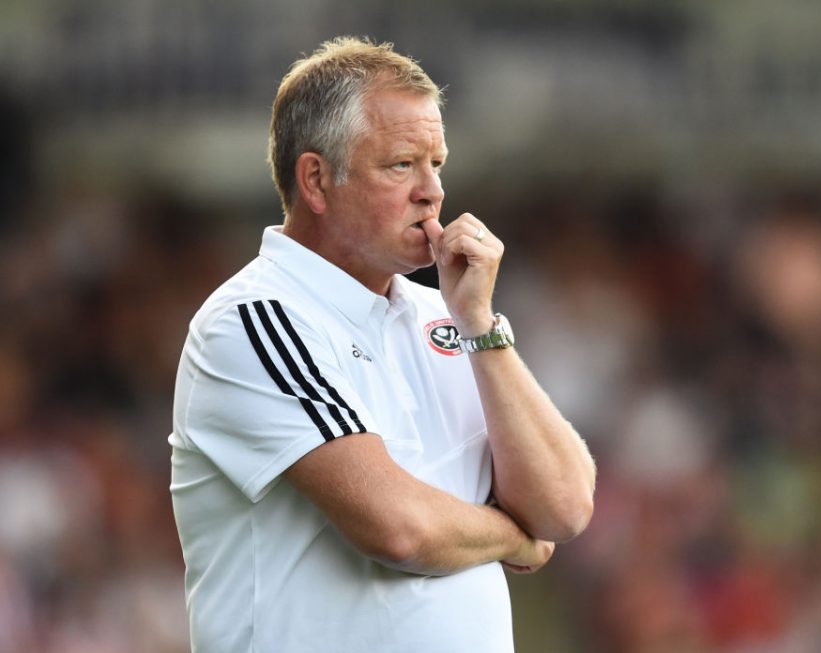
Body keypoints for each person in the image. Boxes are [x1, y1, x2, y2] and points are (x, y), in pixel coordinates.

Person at [169, 36, 596, 653]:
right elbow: (398, 529)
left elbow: (564, 506)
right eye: (401, 165)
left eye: (437, 164)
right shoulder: (255, 319)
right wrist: (512, 537)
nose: (433, 191)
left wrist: (480, 323)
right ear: (316, 179)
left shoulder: (445, 316)